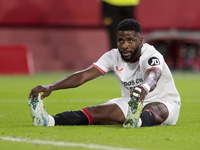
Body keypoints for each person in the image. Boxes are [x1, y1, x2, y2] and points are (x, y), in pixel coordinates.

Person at [29, 19, 181, 128]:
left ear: (140, 41)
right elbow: (83, 76)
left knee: (154, 109)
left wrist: (145, 88)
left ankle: (137, 121)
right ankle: (48, 121)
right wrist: (51, 87)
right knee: (96, 112)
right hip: (131, 102)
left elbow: (153, 76)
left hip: (164, 102)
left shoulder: (152, 55)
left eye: (130, 40)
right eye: (120, 41)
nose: (124, 45)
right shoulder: (113, 56)